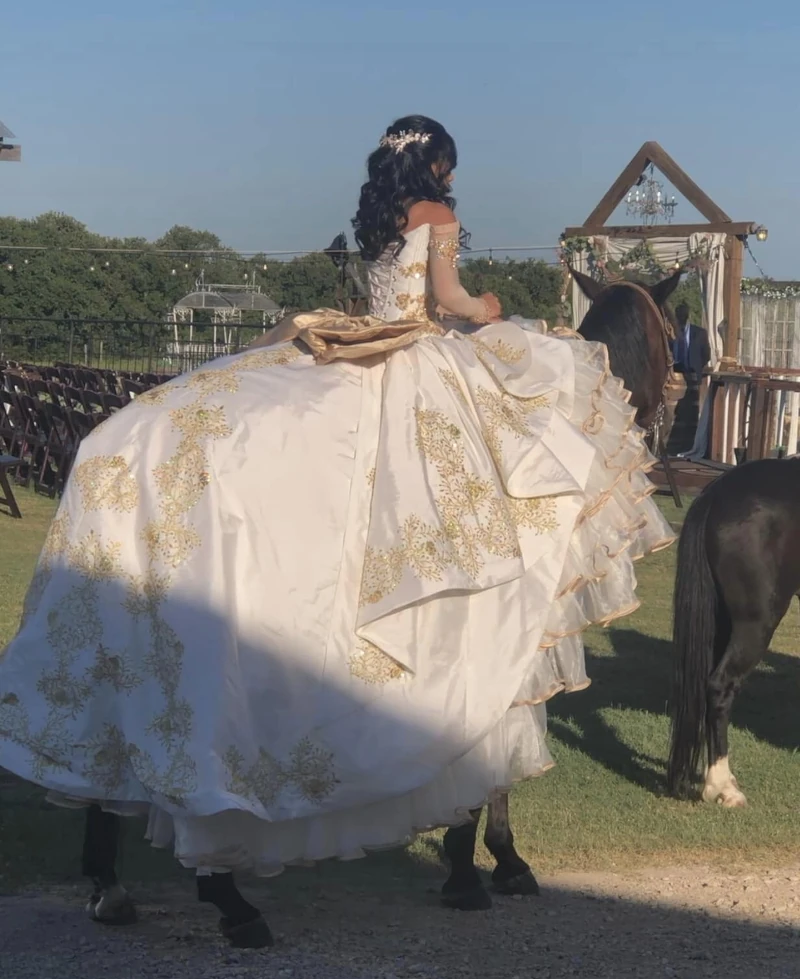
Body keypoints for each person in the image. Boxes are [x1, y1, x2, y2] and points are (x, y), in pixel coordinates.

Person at [0, 115, 673, 879]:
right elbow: (445, 299)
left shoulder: (379, 217)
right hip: (417, 359)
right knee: (503, 466)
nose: (453, 179)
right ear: (436, 166)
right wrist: (488, 309)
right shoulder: (437, 215)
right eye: (449, 167)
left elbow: (390, 295)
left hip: (365, 348)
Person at [673, 302, 711, 387]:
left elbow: (707, 355)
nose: (681, 317)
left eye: (683, 315)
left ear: (687, 316)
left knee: (692, 399)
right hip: (674, 376)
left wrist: (696, 366)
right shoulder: (671, 332)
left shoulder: (699, 333)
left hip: (693, 376)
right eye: (679, 315)